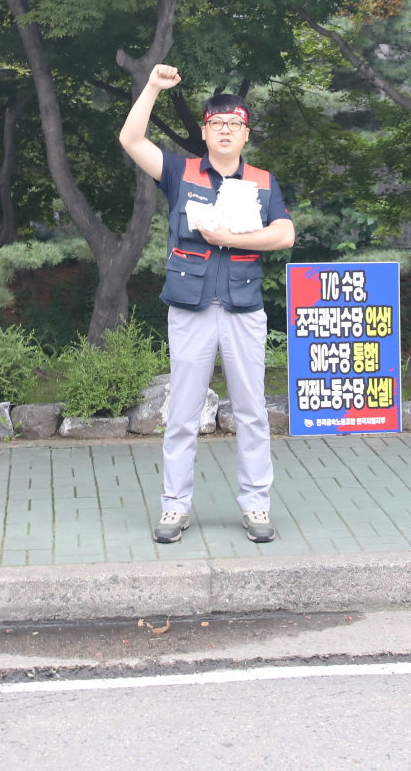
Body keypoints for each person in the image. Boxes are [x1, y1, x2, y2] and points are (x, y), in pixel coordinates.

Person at [119, 66, 294, 544]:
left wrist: (232, 238)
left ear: (246, 134)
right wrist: (152, 87)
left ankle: (256, 505)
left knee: (252, 412)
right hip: (190, 309)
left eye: (234, 124)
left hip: (243, 309)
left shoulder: (262, 181)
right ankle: (174, 508)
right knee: (182, 414)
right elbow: (131, 140)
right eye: (217, 123)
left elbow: (285, 233)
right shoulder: (180, 172)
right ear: (205, 131)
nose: (225, 131)